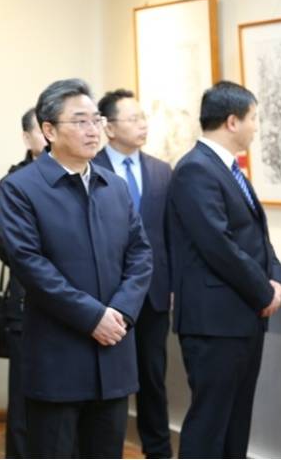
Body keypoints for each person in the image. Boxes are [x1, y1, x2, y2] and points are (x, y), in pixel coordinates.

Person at [0, 78, 152, 459]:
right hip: (58, 359)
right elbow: (30, 265)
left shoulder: (114, 186)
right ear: (49, 130)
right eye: (80, 121)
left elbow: (140, 255)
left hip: (113, 353)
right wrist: (93, 317)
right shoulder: (20, 188)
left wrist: (120, 312)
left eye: (96, 120)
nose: (93, 130)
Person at [169, 81, 281, 459]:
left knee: (236, 422)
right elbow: (218, 245)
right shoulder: (195, 170)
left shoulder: (228, 169)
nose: (257, 127)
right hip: (214, 323)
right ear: (232, 122)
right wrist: (264, 291)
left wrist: (277, 280)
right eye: (254, 118)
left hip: (242, 317)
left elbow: (256, 236)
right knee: (210, 426)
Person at [95, 89, 173, 459]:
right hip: (107, 297)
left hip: (154, 294)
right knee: (108, 382)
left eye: (143, 118)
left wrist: (173, 284)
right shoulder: (92, 168)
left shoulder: (161, 170)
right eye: (133, 118)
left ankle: (158, 452)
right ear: (109, 128)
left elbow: (170, 234)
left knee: (153, 379)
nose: (143, 125)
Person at [0, 107, 46, 459]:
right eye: (42, 129)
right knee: (23, 399)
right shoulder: (14, 182)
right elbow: (7, 249)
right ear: (28, 138)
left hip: (74, 310)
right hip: (27, 304)